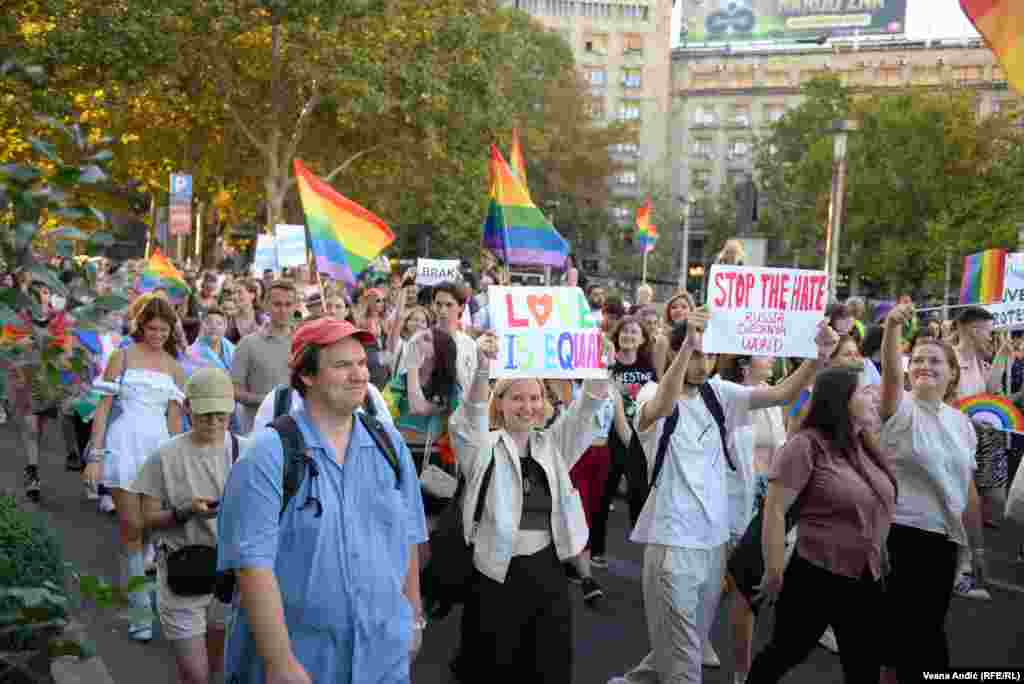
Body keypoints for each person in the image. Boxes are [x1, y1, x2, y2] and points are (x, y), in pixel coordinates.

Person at [609, 308, 838, 684]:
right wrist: (686, 348)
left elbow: (781, 393)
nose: (703, 364)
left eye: (709, 354)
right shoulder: (654, 390)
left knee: (685, 643)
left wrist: (819, 357)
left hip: (712, 543)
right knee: (683, 657)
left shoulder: (720, 394)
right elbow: (662, 407)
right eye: (696, 354)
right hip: (671, 542)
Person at [217, 318, 427, 684]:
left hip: (382, 658)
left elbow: (407, 537)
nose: (359, 375)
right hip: (304, 663)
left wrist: (413, 617)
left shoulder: (390, 445)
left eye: (362, 363)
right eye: (342, 365)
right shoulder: (268, 453)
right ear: (308, 376)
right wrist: (279, 661)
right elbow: (252, 567)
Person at [449, 331, 611, 682]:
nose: (528, 406)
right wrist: (482, 368)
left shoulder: (552, 445)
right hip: (494, 574)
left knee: (546, 666)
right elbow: (472, 413)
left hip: (546, 571)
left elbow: (588, 408)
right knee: (493, 669)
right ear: (501, 404)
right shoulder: (482, 447)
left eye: (535, 398)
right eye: (518, 398)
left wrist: (599, 363)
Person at [747, 367, 897, 683]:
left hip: (866, 576)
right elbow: (774, 510)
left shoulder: (864, 444)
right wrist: (774, 571)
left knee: (863, 665)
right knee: (785, 652)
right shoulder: (805, 445)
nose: (873, 397)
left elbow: (876, 504)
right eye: (864, 391)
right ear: (841, 399)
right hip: (816, 574)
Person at [879, 304, 987, 682]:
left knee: (924, 634)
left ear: (953, 373)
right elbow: (891, 374)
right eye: (918, 360)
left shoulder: (963, 425)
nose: (924, 365)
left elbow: (967, 491)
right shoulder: (899, 409)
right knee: (906, 644)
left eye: (935, 361)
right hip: (899, 536)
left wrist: (977, 549)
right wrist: (893, 327)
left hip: (944, 542)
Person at [82, 296, 186, 642]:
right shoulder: (122, 356)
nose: (157, 334)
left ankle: (137, 587)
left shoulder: (175, 367)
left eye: (163, 329)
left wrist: (179, 461)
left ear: (171, 330)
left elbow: (174, 418)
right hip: (124, 443)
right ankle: (141, 612)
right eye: (151, 328)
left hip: (158, 447)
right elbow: (103, 407)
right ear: (141, 326)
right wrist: (95, 455)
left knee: (152, 530)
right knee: (132, 525)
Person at [135, 368, 246, 684]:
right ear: (187, 408)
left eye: (220, 415)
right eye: (205, 414)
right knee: (196, 675)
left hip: (229, 577)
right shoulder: (164, 456)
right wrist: (186, 512)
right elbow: (148, 517)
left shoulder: (247, 450)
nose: (213, 422)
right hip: (183, 573)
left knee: (219, 672)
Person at [231, 280, 297, 433]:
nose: (283, 310)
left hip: (296, 431)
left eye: (288, 304)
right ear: (266, 305)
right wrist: (270, 401)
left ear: (295, 306)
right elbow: (234, 390)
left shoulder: (304, 343)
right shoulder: (248, 344)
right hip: (257, 431)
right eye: (277, 304)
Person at [653, 291, 695, 378]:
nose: (679, 310)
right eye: (674, 307)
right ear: (668, 312)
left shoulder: (698, 337)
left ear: (691, 311)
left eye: (684, 307)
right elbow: (658, 377)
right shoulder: (663, 339)